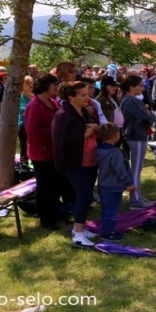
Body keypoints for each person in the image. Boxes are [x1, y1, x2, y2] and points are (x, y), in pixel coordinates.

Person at [52, 81, 100, 248]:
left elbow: (90, 127)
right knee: (84, 195)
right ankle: (78, 234)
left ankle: (80, 227)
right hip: (74, 163)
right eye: (83, 95)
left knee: (85, 197)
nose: (87, 98)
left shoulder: (83, 111)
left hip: (89, 160)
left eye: (88, 94)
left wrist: (93, 127)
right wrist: (88, 131)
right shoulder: (63, 115)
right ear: (71, 97)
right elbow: (66, 140)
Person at [24, 74, 71, 230]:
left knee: (56, 186)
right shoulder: (34, 105)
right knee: (45, 188)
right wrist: (54, 130)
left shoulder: (53, 102)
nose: (56, 87)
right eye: (54, 84)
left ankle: (56, 213)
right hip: (41, 153)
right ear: (45, 86)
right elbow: (31, 131)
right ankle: (46, 220)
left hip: (54, 152)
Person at [120, 75, 156, 208]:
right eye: (140, 85)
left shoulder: (132, 100)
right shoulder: (131, 101)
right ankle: (135, 199)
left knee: (137, 168)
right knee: (135, 169)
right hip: (136, 135)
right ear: (131, 87)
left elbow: (149, 115)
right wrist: (148, 114)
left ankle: (138, 196)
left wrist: (148, 114)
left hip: (137, 134)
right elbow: (148, 116)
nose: (143, 87)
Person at [95, 123, 135, 242]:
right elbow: (120, 170)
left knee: (106, 209)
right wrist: (128, 183)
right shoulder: (116, 153)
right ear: (116, 135)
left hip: (102, 185)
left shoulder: (98, 150)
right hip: (113, 186)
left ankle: (107, 229)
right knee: (111, 210)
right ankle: (107, 233)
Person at [17, 75, 34, 166]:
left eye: (31, 82)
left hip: (35, 126)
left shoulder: (35, 97)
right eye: (27, 83)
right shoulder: (20, 98)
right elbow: (23, 111)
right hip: (24, 126)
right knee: (24, 147)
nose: (30, 85)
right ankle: (23, 167)